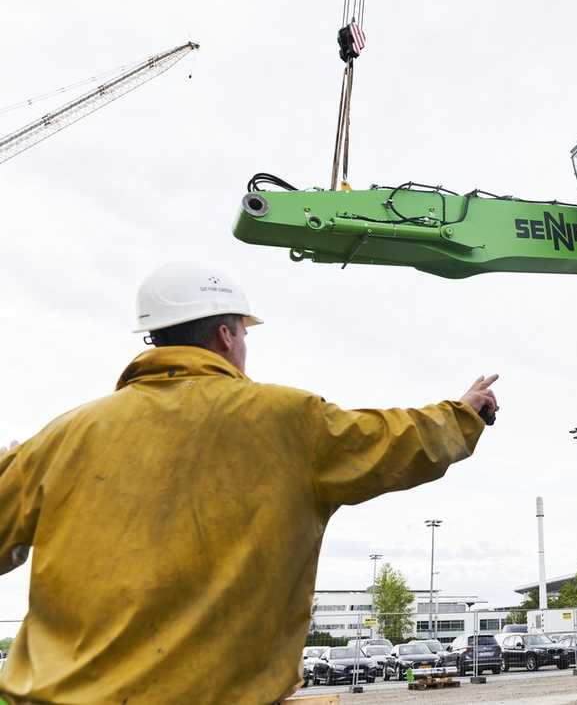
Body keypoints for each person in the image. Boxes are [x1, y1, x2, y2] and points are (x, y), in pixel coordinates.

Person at [0, 262, 499, 703]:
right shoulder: (286, 420)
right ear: (224, 336)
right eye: (244, 333)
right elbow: (394, 441)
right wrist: (462, 414)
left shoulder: (61, 436)